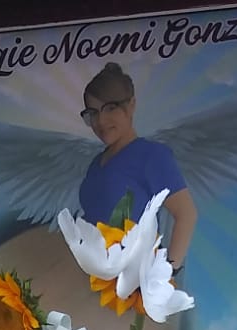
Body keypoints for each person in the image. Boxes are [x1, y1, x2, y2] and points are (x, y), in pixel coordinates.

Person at [77, 63, 198, 272]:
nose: (101, 120)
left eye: (111, 108)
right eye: (93, 113)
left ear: (131, 105)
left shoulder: (152, 156)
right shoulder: (96, 163)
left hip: (129, 284)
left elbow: (186, 214)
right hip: (91, 282)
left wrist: (164, 276)